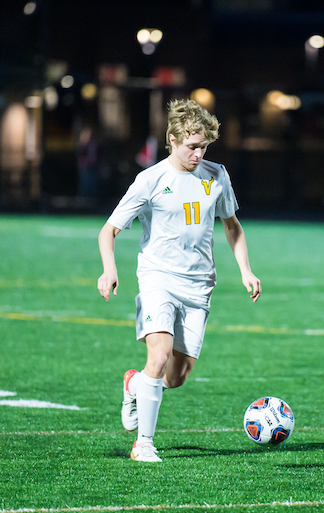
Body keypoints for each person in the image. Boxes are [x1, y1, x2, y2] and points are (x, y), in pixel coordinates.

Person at [97, 99, 261, 463]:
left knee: (175, 377)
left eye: (204, 147)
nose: (198, 154)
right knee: (158, 353)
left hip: (199, 285)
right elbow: (108, 231)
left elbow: (232, 226)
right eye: (192, 146)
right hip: (158, 278)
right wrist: (110, 269)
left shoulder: (217, 176)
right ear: (172, 139)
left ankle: (135, 384)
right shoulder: (151, 180)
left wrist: (246, 270)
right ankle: (144, 444)